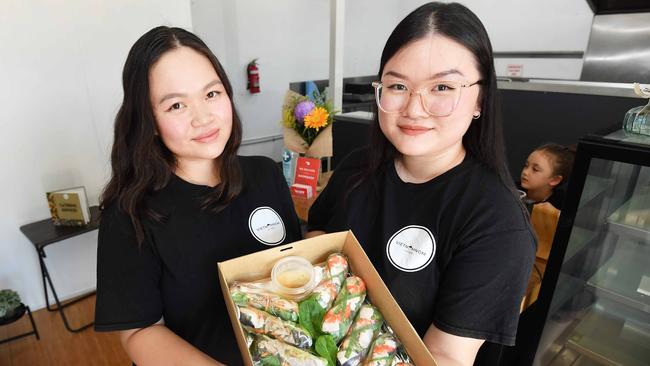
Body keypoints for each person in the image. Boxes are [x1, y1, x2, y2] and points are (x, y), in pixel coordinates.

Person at [307, 3, 536, 365]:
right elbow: (318, 236)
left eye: (442, 86)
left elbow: (445, 356)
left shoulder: (498, 223)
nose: (414, 108)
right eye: (398, 85)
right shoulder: (357, 168)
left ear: (481, 99)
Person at [94, 26, 301, 365]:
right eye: (176, 105)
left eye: (211, 94)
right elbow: (139, 333)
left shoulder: (265, 174)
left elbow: (294, 266)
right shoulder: (130, 213)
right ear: (148, 120)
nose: (203, 118)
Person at [520, 143, 575, 210]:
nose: (525, 172)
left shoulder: (559, 208)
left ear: (554, 180)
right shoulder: (510, 190)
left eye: (535, 169)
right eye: (526, 165)